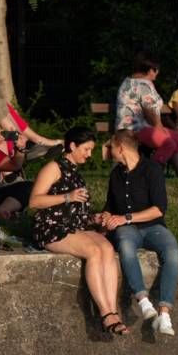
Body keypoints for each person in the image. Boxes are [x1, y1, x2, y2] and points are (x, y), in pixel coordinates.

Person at [28, 127, 126, 336]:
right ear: (72, 146)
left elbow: (75, 211)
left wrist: (95, 218)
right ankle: (105, 314)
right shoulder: (53, 168)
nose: (89, 155)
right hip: (51, 228)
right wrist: (67, 197)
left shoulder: (74, 172)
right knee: (93, 250)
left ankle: (113, 310)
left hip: (73, 227)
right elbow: (34, 201)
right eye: (86, 149)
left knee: (107, 248)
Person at [98, 131, 178, 338]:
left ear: (121, 148)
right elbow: (109, 205)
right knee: (126, 245)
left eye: (111, 148)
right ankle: (143, 301)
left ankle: (164, 313)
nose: (110, 152)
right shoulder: (116, 174)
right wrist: (106, 216)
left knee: (170, 250)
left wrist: (126, 218)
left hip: (152, 226)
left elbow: (159, 209)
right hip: (128, 230)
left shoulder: (152, 169)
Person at [115, 53, 178, 168]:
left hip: (130, 127)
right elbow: (150, 111)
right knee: (168, 144)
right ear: (151, 70)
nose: (157, 73)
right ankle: (151, 170)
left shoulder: (128, 81)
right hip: (135, 129)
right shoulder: (144, 85)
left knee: (177, 137)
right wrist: (159, 128)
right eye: (157, 69)